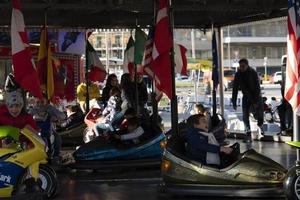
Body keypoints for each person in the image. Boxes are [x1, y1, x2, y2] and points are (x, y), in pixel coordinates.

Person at [232, 58, 264, 143]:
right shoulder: (238, 74)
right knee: (245, 116)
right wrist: (234, 101)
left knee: (259, 115)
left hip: (256, 96)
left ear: (247, 65)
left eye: (243, 66)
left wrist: (255, 102)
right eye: (240, 66)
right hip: (246, 97)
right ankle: (248, 134)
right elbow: (234, 88)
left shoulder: (253, 72)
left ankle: (261, 128)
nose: (241, 68)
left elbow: (257, 87)